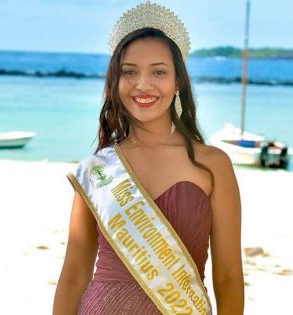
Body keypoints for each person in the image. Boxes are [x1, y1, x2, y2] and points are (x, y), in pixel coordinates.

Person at [53, 1, 244, 314]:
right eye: (129, 72)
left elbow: (228, 277)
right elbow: (74, 275)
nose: (143, 85)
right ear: (115, 82)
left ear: (178, 81)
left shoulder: (213, 164)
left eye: (158, 71)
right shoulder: (98, 170)